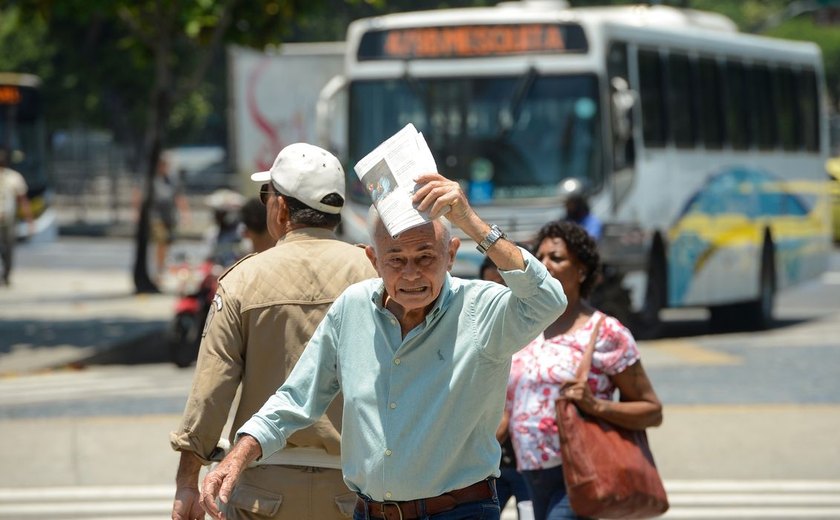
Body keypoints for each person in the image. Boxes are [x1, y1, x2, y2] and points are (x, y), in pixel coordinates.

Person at [199, 172, 568, 520]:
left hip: (459, 510)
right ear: (373, 260)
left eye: (425, 257)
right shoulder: (353, 307)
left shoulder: (481, 308)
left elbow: (548, 300)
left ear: (451, 254)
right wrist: (238, 456)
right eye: (396, 260)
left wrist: (471, 221)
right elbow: (297, 398)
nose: (411, 274)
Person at [169, 143, 378, 520]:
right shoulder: (376, 274)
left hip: (262, 489)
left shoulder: (243, 280)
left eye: (268, 195)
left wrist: (187, 481)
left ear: (280, 208)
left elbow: (211, 389)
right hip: (357, 488)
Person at [506, 220, 663, 520]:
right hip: (529, 472)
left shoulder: (604, 332)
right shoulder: (525, 324)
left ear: (582, 271)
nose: (545, 264)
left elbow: (651, 410)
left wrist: (596, 405)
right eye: (540, 257)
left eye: (557, 257)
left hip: (580, 472)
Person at [480, 255, 532, 519]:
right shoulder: (477, 331)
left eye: (504, 284)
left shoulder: (535, 331)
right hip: (491, 464)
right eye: (490, 285)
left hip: (531, 463)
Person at [148, 154, 190, 279]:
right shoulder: (152, 179)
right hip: (156, 216)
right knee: (161, 240)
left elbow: (179, 197)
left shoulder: (172, 179)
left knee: (167, 243)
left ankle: (161, 265)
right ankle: (159, 269)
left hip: (169, 216)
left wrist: (185, 214)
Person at [0, 147, 33, 286]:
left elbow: (22, 200)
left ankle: (6, 274)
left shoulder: (14, 177)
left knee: (8, 248)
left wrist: (29, 219)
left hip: (8, 219)